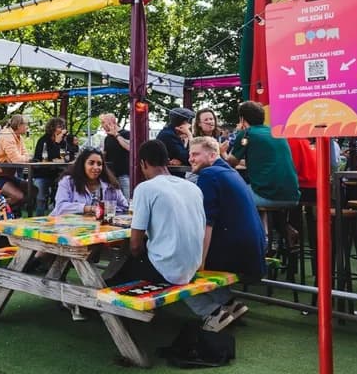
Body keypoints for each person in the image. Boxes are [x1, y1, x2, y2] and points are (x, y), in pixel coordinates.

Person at [108, 140, 235, 332]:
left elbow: (134, 245)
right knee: (165, 263)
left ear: (143, 163)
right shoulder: (192, 187)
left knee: (121, 268)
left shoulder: (145, 188)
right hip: (194, 262)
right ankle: (213, 310)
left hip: (169, 267)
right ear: (167, 160)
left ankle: (101, 311)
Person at [187, 136, 266, 324]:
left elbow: (207, 223)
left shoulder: (209, 175)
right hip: (253, 252)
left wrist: (200, 263)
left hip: (237, 255)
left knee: (179, 266)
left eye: (196, 154)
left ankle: (213, 314)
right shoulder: (230, 172)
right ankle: (229, 303)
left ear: (213, 155)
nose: (190, 158)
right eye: (190, 154)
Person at [226, 101, 300, 208]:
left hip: (268, 196)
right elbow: (263, 161)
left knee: (228, 194)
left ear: (242, 119)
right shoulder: (276, 132)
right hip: (292, 196)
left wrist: (222, 152)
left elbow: (231, 162)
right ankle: (267, 224)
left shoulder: (246, 134)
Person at [52, 147, 128, 216]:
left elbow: (124, 207)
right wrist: (90, 209)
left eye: (99, 164)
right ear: (82, 165)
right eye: (91, 163)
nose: (96, 167)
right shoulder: (68, 181)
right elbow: (60, 207)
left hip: (99, 228)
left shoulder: (110, 184)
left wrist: (108, 209)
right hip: (67, 227)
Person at [0, 114, 33, 211]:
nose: (27, 127)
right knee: (18, 196)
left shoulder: (18, 137)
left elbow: (25, 155)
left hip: (7, 175)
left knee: (33, 190)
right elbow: (16, 159)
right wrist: (26, 158)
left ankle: (12, 211)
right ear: (19, 125)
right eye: (26, 124)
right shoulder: (7, 136)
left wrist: (24, 157)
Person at [32, 117, 68, 215]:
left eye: (63, 127)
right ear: (52, 128)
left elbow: (65, 157)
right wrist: (56, 143)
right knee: (41, 198)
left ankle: (57, 219)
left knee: (61, 195)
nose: (62, 129)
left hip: (57, 173)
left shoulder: (63, 141)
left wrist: (59, 143)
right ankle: (38, 220)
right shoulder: (43, 140)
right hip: (42, 173)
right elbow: (43, 157)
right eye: (59, 127)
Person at [100, 113, 131, 200]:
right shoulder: (107, 138)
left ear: (112, 122)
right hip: (111, 176)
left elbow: (129, 147)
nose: (102, 126)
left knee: (127, 200)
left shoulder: (126, 134)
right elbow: (105, 155)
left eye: (103, 122)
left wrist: (116, 135)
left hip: (124, 174)